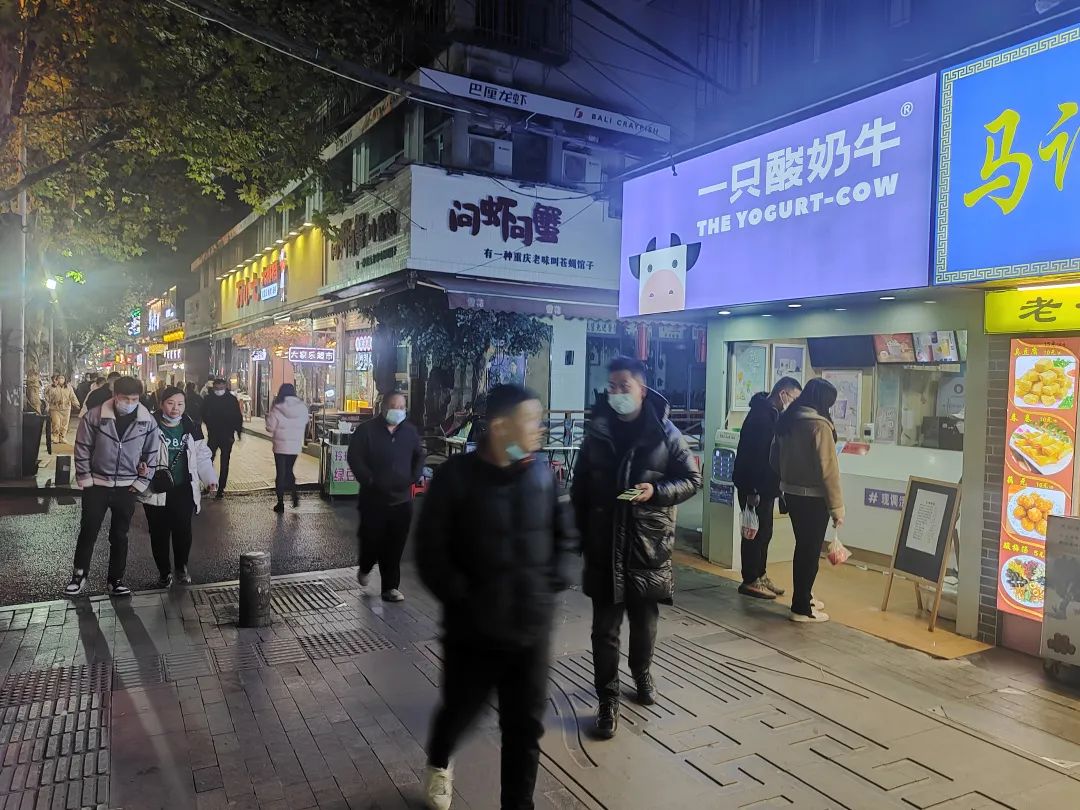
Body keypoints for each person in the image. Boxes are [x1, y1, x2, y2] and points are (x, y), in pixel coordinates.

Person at [417, 384, 577, 810]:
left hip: (530, 632)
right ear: (502, 427)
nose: (539, 429)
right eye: (531, 420)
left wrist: (553, 580)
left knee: (524, 729)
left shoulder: (542, 475)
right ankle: (439, 759)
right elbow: (430, 553)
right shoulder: (455, 478)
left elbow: (565, 536)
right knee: (460, 712)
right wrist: (464, 599)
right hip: (473, 634)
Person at [571, 357, 701, 740]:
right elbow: (579, 489)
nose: (616, 394)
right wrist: (581, 535)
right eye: (611, 387)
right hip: (603, 544)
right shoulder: (597, 433)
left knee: (645, 623)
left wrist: (656, 491)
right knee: (604, 630)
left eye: (623, 386)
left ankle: (642, 672)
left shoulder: (665, 432)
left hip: (647, 544)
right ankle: (607, 698)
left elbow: (692, 479)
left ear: (642, 390)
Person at [65, 376, 158, 598]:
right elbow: (82, 447)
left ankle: (115, 580)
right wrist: (85, 478)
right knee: (88, 531)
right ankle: (79, 576)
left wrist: (142, 481)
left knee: (120, 535)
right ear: (115, 396)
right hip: (97, 485)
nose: (130, 403)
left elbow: (152, 452)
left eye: (134, 399)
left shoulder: (147, 420)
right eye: (125, 398)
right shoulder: (95, 416)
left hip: (127, 487)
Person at [772, 377, 844, 624]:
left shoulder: (787, 420)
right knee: (809, 552)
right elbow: (828, 471)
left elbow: (773, 458)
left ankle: (805, 595)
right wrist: (837, 508)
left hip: (791, 495)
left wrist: (788, 478)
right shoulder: (819, 426)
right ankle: (801, 607)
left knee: (802, 547)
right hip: (814, 499)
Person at [347, 392, 424, 602]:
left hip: (402, 500)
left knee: (395, 544)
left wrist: (413, 476)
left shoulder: (409, 431)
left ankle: (390, 587)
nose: (398, 410)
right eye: (393, 406)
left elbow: (419, 455)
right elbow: (354, 457)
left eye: (402, 407)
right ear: (383, 407)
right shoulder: (367, 431)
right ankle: (366, 566)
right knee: (371, 540)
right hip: (373, 500)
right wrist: (369, 479)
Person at [732, 377, 802, 600]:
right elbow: (753, 457)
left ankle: (760, 575)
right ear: (782, 394)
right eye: (793, 398)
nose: (793, 403)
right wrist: (752, 490)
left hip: (766, 487)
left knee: (764, 533)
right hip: (754, 486)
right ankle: (750, 579)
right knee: (753, 533)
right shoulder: (760, 417)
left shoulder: (772, 414)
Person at [140, 387, 217, 587]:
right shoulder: (149, 425)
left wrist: (210, 479)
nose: (175, 408)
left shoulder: (191, 426)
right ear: (161, 404)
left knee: (183, 530)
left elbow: (202, 456)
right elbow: (136, 452)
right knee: (159, 533)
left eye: (180, 404)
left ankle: (181, 567)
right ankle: (164, 572)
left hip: (183, 488)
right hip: (156, 488)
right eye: (170, 403)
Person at [265, 383, 308, 513]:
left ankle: (280, 503)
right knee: (289, 471)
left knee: (281, 474)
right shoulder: (301, 407)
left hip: (280, 446)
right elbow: (305, 421)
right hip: (294, 446)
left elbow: (270, 427)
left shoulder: (277, 407)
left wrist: (268, 418)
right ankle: (294, 495)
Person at [202, 378, 244, 499]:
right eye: (217, 388)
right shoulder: (209, 399)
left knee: (225, 462)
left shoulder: (231, 399)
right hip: (213, 435)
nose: (219, 390)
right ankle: (209, 484)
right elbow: (203, 413)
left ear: (225, 387)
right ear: (214, 388)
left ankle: (221, 488)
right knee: (208, 461)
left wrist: (238, 432)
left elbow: (237, 417)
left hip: (227, 436)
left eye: (221, 388)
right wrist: (209, 424)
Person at [45, 374, 78, 444]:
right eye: (59, 378)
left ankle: (62, 437)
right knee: (56, 423)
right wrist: (55, 386)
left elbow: (72, 396)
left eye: (62, 378)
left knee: (64, 424)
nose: (61, 380)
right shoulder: (51, 387)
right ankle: (56, 436)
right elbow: (48, 395)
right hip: (55, 408)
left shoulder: (69, 387)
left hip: (66, 408)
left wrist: (76, 404)